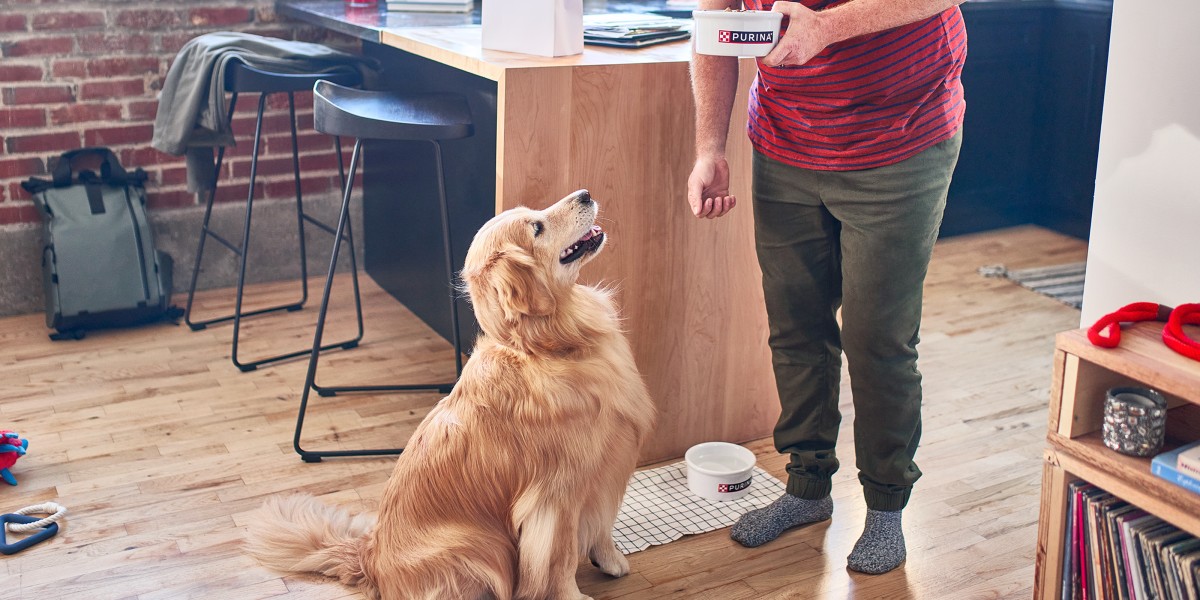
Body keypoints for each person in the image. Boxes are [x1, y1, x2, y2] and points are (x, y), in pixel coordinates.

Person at [687, 0, 968, 575]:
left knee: (876, 340)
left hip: (900, 139)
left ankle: (887, 508)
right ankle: (807, 489)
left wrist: (827, 27)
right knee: (796, 327)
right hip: (785, 143)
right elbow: (714, 27)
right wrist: (709, 148)